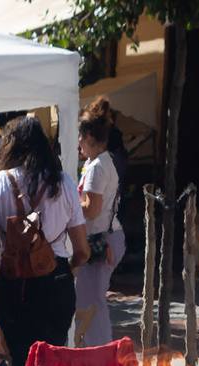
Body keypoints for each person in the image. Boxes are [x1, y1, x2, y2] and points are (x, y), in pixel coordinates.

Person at [0, 115, 87, 366]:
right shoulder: (65, 184)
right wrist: (63, 270)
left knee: (21, 365)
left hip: (15, 285)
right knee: (53, 362)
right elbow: (83, 249)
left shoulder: (0, 183)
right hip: (56, 283)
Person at [73, 110, 123, 347]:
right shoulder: (100, 162)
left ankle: (100, 355)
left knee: (92, 302)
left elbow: (91, 209)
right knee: (90, 300)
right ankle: (95, 354)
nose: (78, 143)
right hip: (105, 236)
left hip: (100, 240)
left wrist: (70, 203)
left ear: (89, 136)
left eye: (80, 137)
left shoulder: (97, 166)